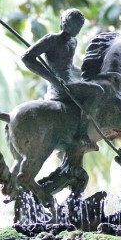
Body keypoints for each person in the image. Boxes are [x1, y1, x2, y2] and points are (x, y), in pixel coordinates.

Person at [21, 9, 93, 147]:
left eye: (78, 27)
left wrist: (86, 73)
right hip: (58, 86)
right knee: (97, 91)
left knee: (96, 85)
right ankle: (82, 135)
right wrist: (53, 79)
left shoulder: (74, 42)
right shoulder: (51, 40)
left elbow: (70, 66)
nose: (73, 29)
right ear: (62, 22)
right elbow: (27, 58)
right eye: (70, 24)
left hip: (70, 82)